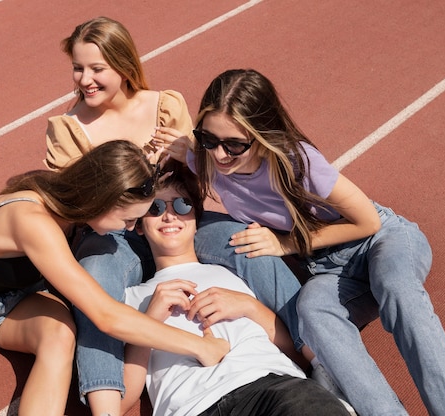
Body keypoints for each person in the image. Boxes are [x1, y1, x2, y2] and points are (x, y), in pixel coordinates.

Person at [168, 68, 445, 415]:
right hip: (328, 269)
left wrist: (287, 244)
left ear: (263, 133)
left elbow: (367, 221)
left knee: (397, 287)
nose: (220, 154)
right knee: (312, 310)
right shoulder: (207, 158)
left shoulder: (297, 162)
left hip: (380, 241)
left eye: (234, 144)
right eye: (209, 139)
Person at [45, 18, 306, 415]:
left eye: (97, 69)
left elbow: (198, 183)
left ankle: (315, 346)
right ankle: (105, 404)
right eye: (78, 68)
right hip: (115, 234)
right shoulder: (68, 130)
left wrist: (185, 152)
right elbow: (77, 204)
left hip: (178, 215)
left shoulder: (165, 105)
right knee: (95, 277)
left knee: (246, 239)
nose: (85, 79)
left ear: (124, 66)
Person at [0, 141, 228, 416]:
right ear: (101, 200)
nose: (129, 230)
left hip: (18, 301)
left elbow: (114, 164)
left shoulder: (74, 201)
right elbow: (106, 316)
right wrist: (199, 346)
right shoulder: (33, 220)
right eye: (127, 220)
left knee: (60, 333)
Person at [120, 165, 351, 416]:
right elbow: (121, 399)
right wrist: (148, 324)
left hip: (273, 387)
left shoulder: (234, 270)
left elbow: (297, 354)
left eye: (182, 205)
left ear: (197, 218)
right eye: (156, 207)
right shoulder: (130, 297)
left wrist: (249, 306)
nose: (170, 216)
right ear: (139, 224)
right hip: (194, 408)